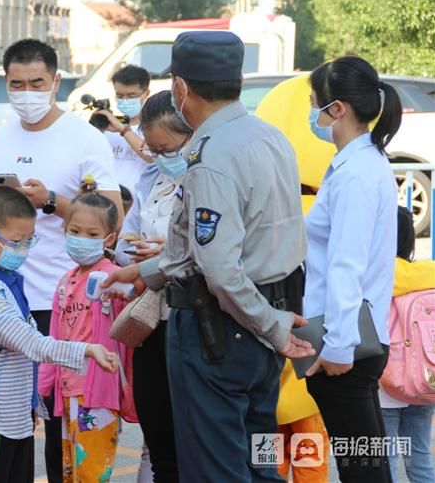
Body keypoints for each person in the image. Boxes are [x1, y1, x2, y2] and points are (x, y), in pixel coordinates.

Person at [102, 31, 314, 482]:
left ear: (180, 88)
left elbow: (218, 268)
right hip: (262, 320)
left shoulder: (213, 154)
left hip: (222, 330)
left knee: (216, 470)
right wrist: (145, 270)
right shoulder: (268, 136)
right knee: (259, 464)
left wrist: (271, 328)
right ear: (237, 79)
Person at [0, 38, 123, 483]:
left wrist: (51, 202)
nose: (26, 92)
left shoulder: (84, 137)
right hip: (5, 301)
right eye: (17, 83)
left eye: (36, 82)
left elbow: (113, 213)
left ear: (57, 81)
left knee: (62, 420)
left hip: (62, 304)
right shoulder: (0, 136)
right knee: (7, 419)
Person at [0, 186, 119, 483]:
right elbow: (27, 341)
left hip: (14, 416)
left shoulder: (3, 278)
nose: (24, 249)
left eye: (30, 240)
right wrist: (86, 350)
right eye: (17, 242)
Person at [302, 55, 402, 482]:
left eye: (315, 103)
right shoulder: (360, 163)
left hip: (345, 342)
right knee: (367, 463)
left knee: (363, 469)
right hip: (351, 335)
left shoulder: (356, 172)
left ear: (337, 109)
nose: (313, 113)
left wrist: (338, 348)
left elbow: (346, 264)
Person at [114, 90, 192, 482]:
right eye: (154, 148)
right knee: (157, 432)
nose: (162, 157)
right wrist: (136, 256)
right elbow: (126, 244)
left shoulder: (212, 178)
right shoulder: (151, 179)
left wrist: (171, 253)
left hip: (193, 320)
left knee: (195, 442)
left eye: (169, 147)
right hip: (151, 321)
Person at [39, 192, 129, 483]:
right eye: (74, 231)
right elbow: (54, 335)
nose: (81, 238)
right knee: (71, 470)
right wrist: (44, 386)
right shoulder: (66, 281)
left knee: (92, 473)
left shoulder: (116, 278)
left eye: (92, 233)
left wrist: (124, 292)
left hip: (98, 393)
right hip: (67, 389)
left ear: (110, 239)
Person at [380, 206, 435, 483]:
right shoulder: (430, 272)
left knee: (386, 457)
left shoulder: (376, 274)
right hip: (426, 378)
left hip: (386, 381)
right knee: (420, 454)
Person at [94, 65, 152, 192]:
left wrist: (123, 130)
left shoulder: (154, 126)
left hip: (139, 204)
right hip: (108, 202)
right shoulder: (108, 126)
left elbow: (152, 156)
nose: (125, 101)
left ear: (146, 93)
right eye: (120, 96)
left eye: (131, 96)